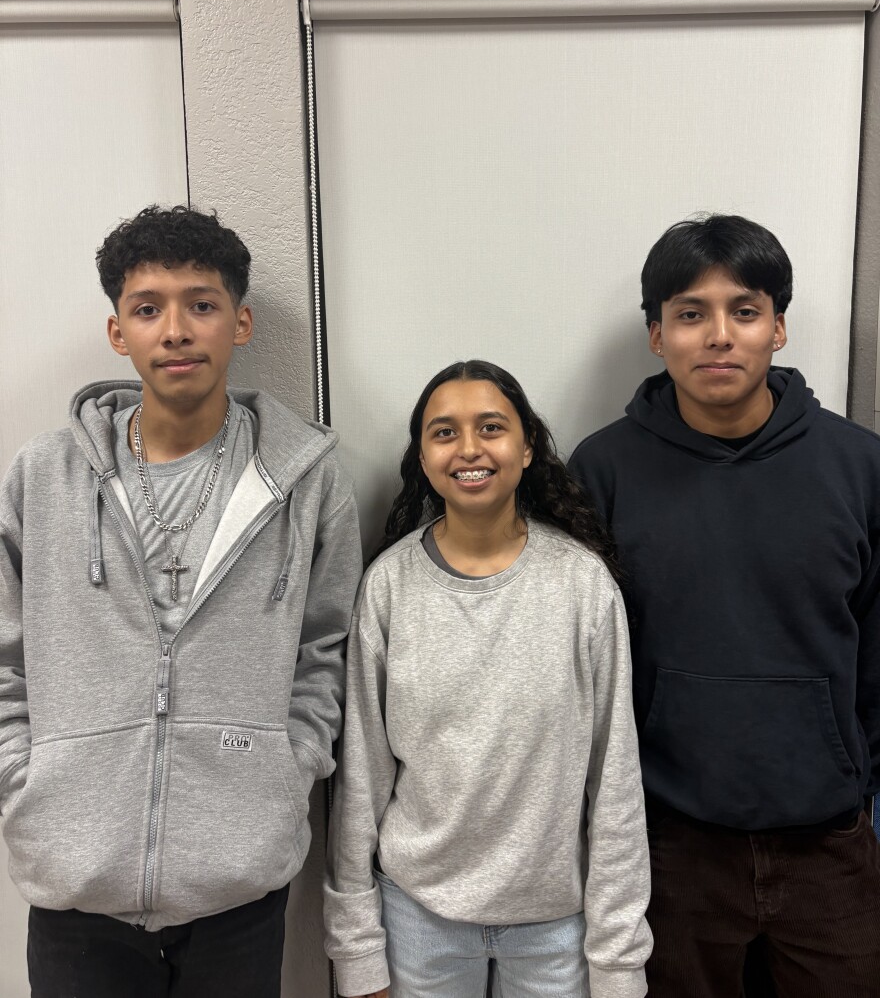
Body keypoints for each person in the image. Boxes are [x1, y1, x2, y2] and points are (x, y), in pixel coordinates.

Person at [0, 205, 361, 997]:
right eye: (148, 307)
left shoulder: (304, 479)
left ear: (240, 322)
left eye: (201, 304)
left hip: (239, 886)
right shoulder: (43, 475)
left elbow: (327, 651)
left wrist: (284, 769)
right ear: (117, 330)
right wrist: (26, 780)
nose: (175, 329)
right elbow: (5, 654)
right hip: (73, 885)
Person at [568, 213, 880, 998]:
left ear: (778, 327)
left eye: (743, 311)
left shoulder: (859, 464)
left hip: (828, 843)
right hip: (672, 844)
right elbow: (584, 661)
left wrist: (853, 772)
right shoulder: (603, 468)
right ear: (655, 334)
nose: (718, 335)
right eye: (689, 313)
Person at [324, 359, 652, 998]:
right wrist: (357, 947)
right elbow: (360, 775)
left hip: (558, 929)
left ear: (527, 447)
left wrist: (618, 958)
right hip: (417, 922)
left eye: (491, 427)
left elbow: (614, 781)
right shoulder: (388, 587)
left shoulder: (582, 585)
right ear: (422, 457)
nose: (469, 448)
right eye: (444, 432)